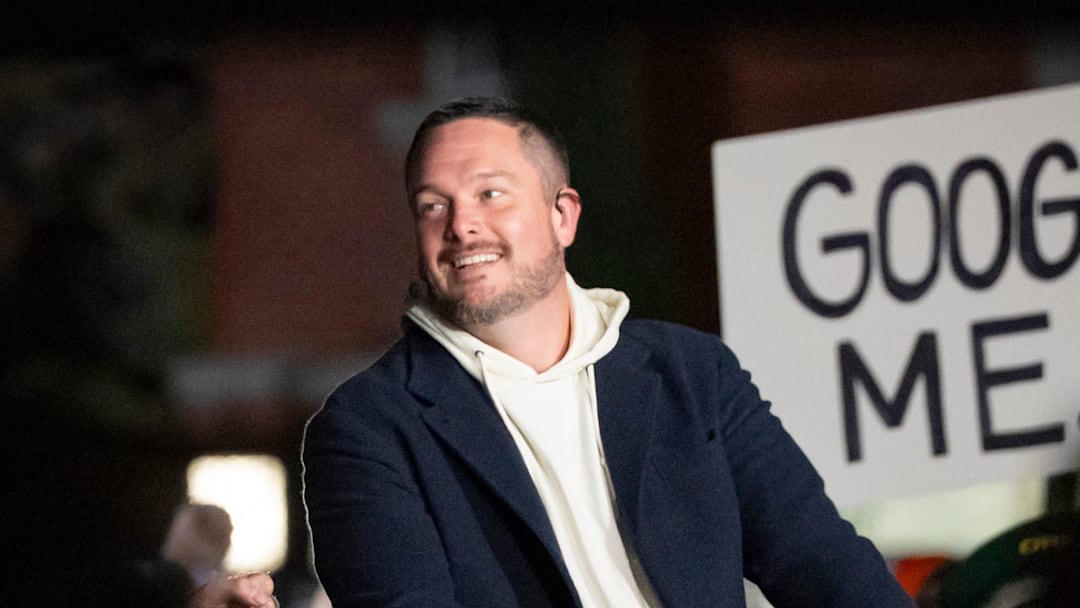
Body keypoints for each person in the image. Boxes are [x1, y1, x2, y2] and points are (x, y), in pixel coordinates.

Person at [302, 97, 916, 607]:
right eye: (434, 205)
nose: (461, 224)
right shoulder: (367, 430)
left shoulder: (692, 373)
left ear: (563, 216)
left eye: (491, 194)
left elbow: (823, 564)